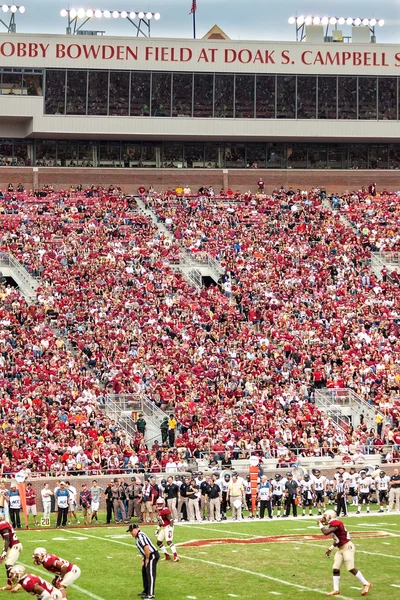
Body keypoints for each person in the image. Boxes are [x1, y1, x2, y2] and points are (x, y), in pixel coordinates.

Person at [319, 509, 372, 596]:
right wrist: (330, 548)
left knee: (350, 568)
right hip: (341, 548)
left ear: (330, 516)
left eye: (326, 516)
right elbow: (337, 539)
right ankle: (336, 589)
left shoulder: (336, 523)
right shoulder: (333, 524)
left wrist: (320, 525)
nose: (324, 518)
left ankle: (366, 583)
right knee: (335, 568)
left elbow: (325, 532)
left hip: (347, 547)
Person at [127, 523, 159, 600]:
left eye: (131, 531)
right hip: (147, 555)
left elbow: (146, 547)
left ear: (136, 529)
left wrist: (147, 559)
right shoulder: (138, 536)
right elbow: (142, 549)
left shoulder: (141, 535)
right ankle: (146, 590)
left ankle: (151, 594)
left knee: (150, 574)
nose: (131, 533)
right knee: (144, 573)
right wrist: (143, 558)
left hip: (152, 555)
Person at [0, 513, 23, 591]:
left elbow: (7, 540)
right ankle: (9, 584)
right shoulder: (4, 523)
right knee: (7, 565)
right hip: (14, 545)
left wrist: (4, 553)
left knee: (9, 564)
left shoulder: (3, 525)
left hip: (16, 545)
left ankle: (20, 583)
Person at [154, 497, 179, 562]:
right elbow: (161, 521)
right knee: (159, 542)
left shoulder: (165, 510)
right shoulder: (158, 510)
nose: (159, 505)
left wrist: (170, 528)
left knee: (169, 541)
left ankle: (176, 556)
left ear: (163, 504)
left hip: (168, 527)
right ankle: (167, 555)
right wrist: (157, 529)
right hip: (164, 527)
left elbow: (171, 520)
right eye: (158, 504)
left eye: (160, 504)